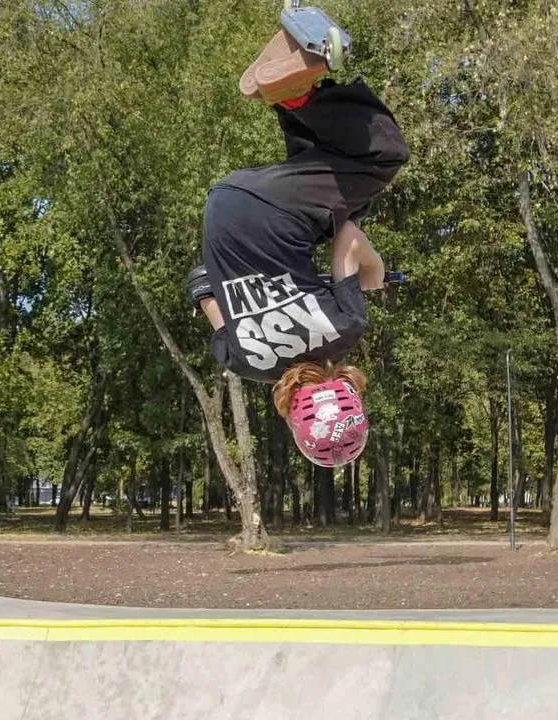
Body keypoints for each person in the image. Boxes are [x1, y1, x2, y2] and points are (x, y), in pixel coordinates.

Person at [186, 15, 409, 468]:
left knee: (382, 158)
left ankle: (295, 93)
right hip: (223, 205)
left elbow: (348, 241)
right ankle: (285, 80)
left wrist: (374, 275)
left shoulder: (345, 327)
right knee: (341, 194)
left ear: (350, 394)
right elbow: (202, 286)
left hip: (275, 212)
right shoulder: (241, 361)